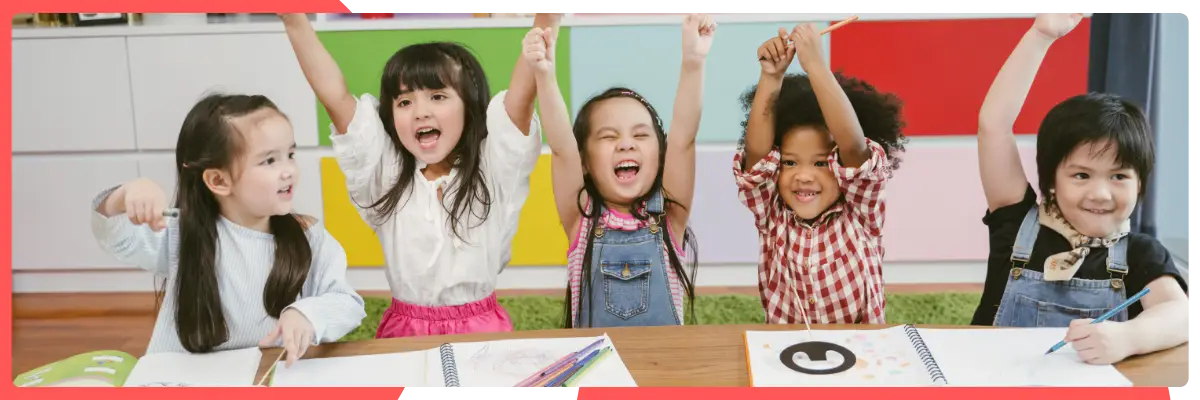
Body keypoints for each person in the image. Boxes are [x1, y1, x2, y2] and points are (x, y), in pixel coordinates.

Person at [279, 13, 560, 338]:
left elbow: (520, 100)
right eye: (404, 101)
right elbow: (335, 96)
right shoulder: (386, 175)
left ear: (469, 106)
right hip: (405, 330)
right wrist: (294, 19)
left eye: (438, 96)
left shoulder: (493, 169)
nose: (420, 112)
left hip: (482, 329)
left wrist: (547, 17)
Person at [973, 11, 1191, 365]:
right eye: (1081, 176)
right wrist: (1040, 36)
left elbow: (1181, 315)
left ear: (1140, 182)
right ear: (1052, 182)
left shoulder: (1140, 253)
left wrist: (1128, 337)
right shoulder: (1015, 223)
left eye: (1119, 177)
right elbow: (994, 125)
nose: (1100, 194)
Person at [91, 93, 366, 368]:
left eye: (290, 155)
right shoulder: (180, 232)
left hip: (270, 377)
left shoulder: (309, 237)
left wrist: (308, 314)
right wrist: (124, 196)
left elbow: (348, 303)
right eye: (269, 161)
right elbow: (116, 237)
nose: (289, 171)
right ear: (219, 180)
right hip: (182, 380)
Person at [525, 14, 715, 328]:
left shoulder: (670, 217)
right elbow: (561, 149)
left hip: (666, 359)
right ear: (585, 162)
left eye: (640, 135)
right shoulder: (581, 219)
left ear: (661, 156)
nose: (626, 144)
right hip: (598, 358)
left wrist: (693, 62)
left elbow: (683, 139)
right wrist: (545, 75)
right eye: (608, 137)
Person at [733, 24, 908, 325]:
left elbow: (853, 147)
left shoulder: (861, 212)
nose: (803, 176)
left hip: (859, 347)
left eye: (820, 163)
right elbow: (757, 159)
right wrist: (771, 77)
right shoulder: (773, 214)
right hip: (788, 347)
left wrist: (815, 66)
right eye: (790, 162)